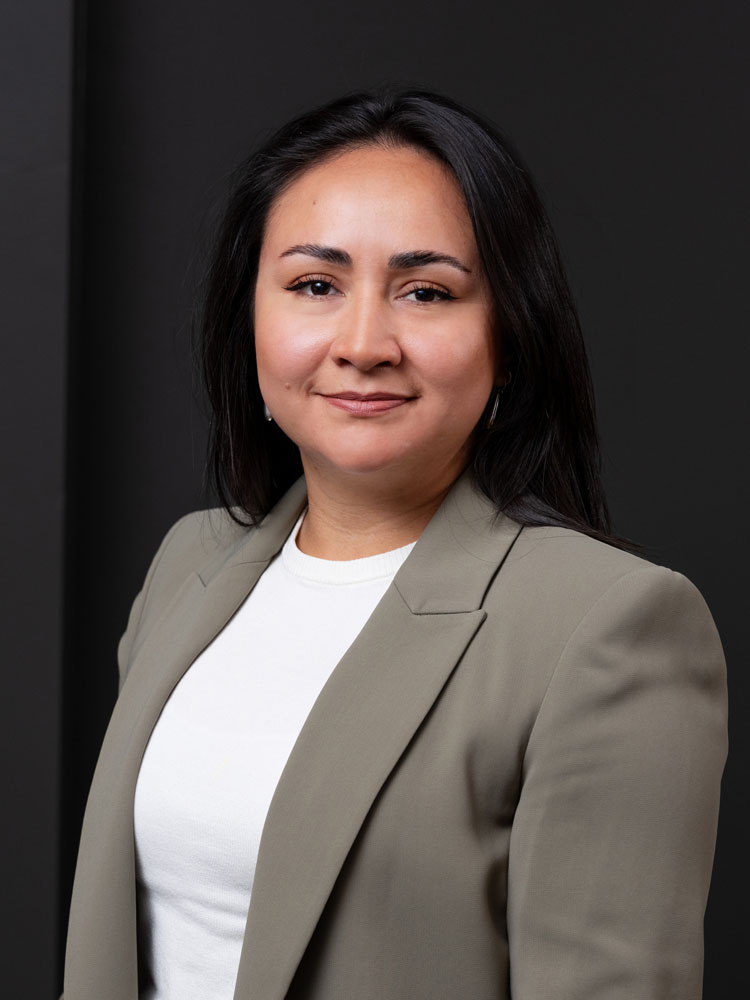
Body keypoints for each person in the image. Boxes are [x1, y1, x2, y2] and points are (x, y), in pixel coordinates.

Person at [61, 86, 728, 1000]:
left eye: (426, 291)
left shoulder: (608, 626)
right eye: (315, 285)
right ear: (249, 319)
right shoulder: (191, 564)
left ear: (508, 337)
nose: (365, 342)